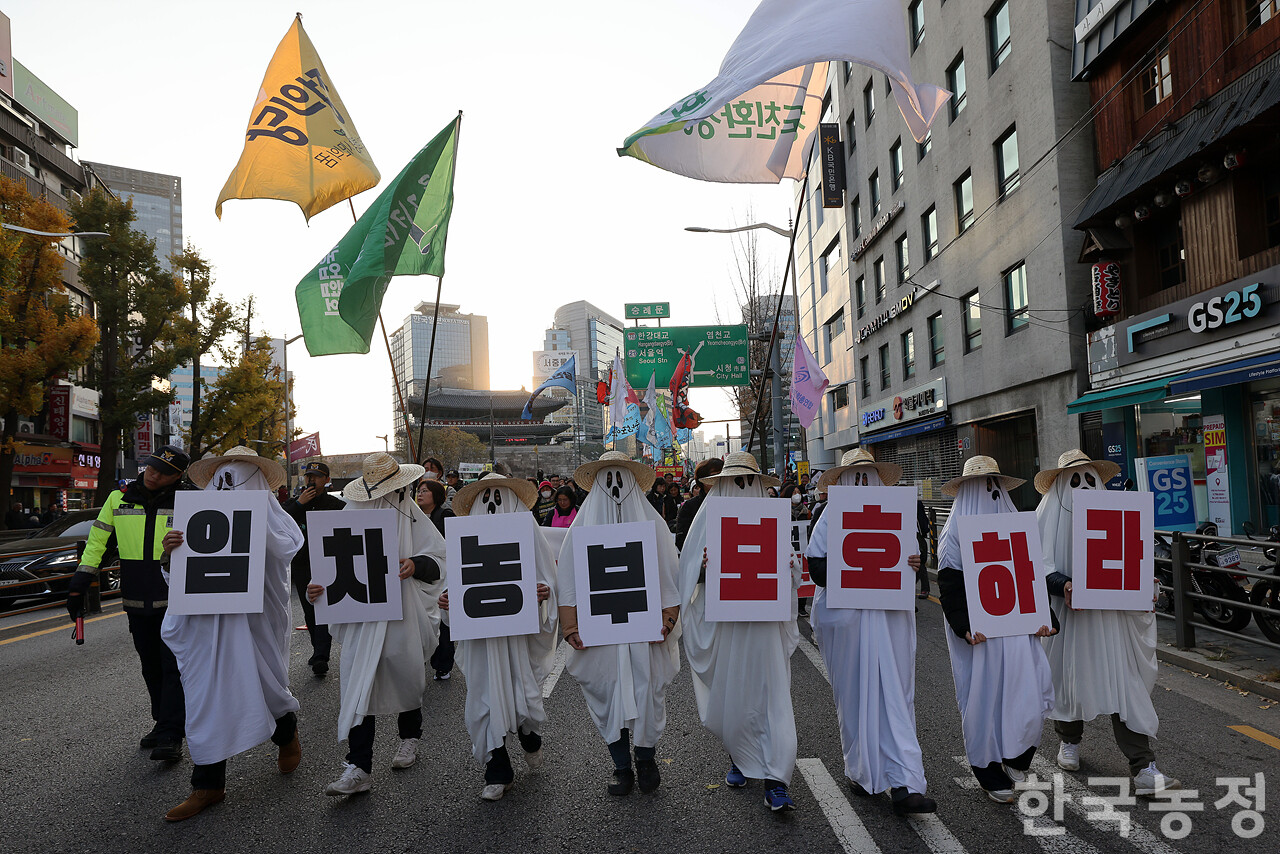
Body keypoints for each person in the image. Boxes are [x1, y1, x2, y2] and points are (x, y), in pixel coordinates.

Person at [159, 446, 305, 821]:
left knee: (266, 689)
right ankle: (207, 784)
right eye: (221, 483)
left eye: (235, 480)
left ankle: (286, 734)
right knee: (207, 697)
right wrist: (171, 555)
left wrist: (252, 526)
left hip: (255, 627)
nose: (226, 490)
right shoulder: (196, 522)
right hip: (207, 627)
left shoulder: (278, 525)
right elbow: (179, 581)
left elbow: (283, 553)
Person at [1036, 450, 1180, 796]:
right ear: (1058, 486)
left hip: (1111, 621)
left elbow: (1133, 561)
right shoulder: (1045, 519)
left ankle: (1143, 766)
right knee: (1067, 679)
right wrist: (1064, 585)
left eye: (1090, 479)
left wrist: (1147, 588)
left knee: (1124, 685)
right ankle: (1068, 742)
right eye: (1075, 480)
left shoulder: (1117, 516)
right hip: (1069, 619)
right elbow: (1036, 568)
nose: (1084, 486)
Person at [805, 448, 934, 815]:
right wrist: (855, 566)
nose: (862, 482)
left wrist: (914, 559)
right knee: (856, 697)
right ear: (842, 482)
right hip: (846, 624)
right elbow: (817, 570)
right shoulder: (828, 518)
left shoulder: (896, 513)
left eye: (868, 475)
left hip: (889, 620)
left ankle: (905, 782)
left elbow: (910, 555)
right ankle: (861, 771)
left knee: (895, 696)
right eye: (854, 476)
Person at [310, 453, 446, 797]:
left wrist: (416, 564)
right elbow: (331, 571)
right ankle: (358, 766)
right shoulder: (348, 518)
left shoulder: (413, 518)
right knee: (359, 684)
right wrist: (318, 590)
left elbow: (440, 561)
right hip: (362, 617)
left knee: (407, 677)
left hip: (404, 612)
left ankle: (409, 738)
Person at [679, 452, 799, 811]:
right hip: (726, 629)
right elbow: (685, 577)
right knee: (735, 697)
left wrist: (791, 567)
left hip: (765, 629)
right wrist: (702, 569)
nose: (742, 489)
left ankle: (777, 780)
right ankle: (739, 756)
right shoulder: (704, 523)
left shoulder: (773, 522)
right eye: (734, 482)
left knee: (774, 700)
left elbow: (791, 576)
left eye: (748, 481)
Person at [557, 451, 681, 796]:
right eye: (606, 479)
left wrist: (667, 619)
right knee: (609, 696)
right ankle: (622, 767)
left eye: (620, 480)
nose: (614, 488)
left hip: (645, 633)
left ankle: (646, 760)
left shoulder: (654, 527)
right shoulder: (579, 531)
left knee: (646, 695)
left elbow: (670, 576)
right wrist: (571, 627)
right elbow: (567, 580)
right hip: (601, 634)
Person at [936, 456, 1056, 803]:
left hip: (1017, 627)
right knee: (984, 699)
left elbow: (1029, 576)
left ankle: (1017, 754)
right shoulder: (954, 535)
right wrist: (964, 626)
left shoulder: (1014, 525)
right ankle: (987, 768)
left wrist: (1046, 616)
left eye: (995, 485)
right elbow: (950, 586)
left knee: (1031, 691)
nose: (990, 492)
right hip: (981, 634)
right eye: (981, 486)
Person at [66, 445, 191, 764]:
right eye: (151, 466)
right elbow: (97, 543)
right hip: (136, 597)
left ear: (177, 476)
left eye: (163, 471)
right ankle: (161, 720)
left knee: (172, 666)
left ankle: (171, 733)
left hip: (175, 597)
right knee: (150, 664)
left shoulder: (188, 502)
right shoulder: (117, 498)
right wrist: (80, 582)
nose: (153, 473)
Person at [441, 473, 558, 801]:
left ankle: (529, 738)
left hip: (517, 639)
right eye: (486, 499)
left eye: (499, 498)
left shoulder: (529, 534)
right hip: (481, 642)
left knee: (520, 694)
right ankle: (497, 768)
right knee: (484, 697)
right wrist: (448, 602)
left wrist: (545, 591)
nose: (492, 506)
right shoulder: (464, 540)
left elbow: (549, 577)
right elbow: (455, 587)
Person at [282, 461, 345, 677]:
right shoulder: (294, 504)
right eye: (309, 476)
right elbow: (280, 523)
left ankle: (321, 655)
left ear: (327, 480)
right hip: (302, 563)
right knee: (309, 609)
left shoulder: (336, 505)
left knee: (323, 606)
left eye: (317, 477)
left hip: (328, 562)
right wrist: (299, 504)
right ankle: (317, 650)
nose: (311, 480)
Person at [417, 479, 456, 680]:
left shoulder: (445, 515)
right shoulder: (412, 518)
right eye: (418, 490)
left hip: (444, 575)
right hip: (420, 577)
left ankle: (443, 664)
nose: (420, 494)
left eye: (425, 491)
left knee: (442, 619)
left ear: (436, 495)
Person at [673, 459, 724, 551]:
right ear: (702, 480)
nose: (717, 480)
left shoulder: (730, 503)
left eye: (721, 475)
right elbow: (682, 540)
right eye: (713, 476)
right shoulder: (689, 506)